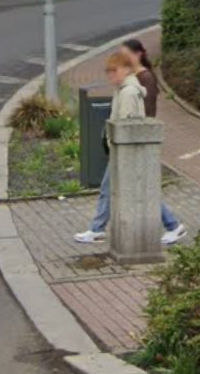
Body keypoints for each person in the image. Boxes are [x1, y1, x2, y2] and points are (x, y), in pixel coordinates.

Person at [75, 42, 188, 248]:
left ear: (126, 69)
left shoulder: (127, 92)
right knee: (136, 190)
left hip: (125, 151)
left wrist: (117, 145)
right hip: (127, 150)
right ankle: (171, 225)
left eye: (114, 70)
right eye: (108, 71)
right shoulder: (124, 89)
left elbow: (126, 125)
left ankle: (98, 229)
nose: (110, 75)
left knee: (118, 190)